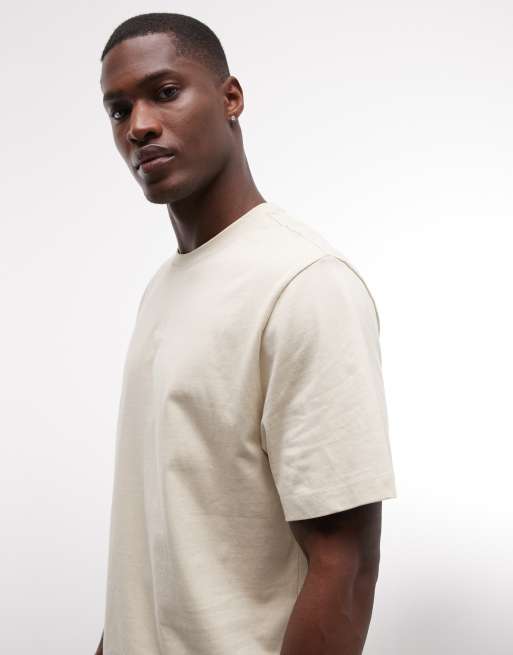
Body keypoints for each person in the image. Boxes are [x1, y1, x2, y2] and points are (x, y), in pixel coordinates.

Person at [96, 12, 397, 655]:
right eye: (119, 110)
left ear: (231, 97)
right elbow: (157, 542)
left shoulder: (305, 284)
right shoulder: (164, 287)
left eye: (165, 92)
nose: (139, 125)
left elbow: (346, 568)